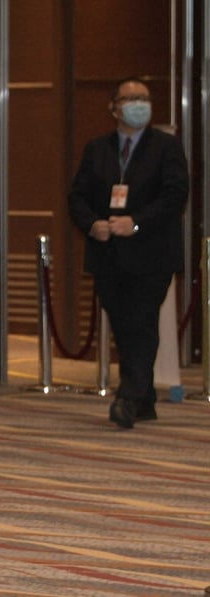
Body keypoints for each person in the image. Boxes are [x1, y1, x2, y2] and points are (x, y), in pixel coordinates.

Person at [68, 76, 188, 430]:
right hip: (108, 256)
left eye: (144, 98)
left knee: (141, 321)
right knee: (124, 325)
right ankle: (145, 399)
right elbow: (77, 196)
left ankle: (128, 397)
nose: (139, 104)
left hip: (152, 255)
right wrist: (93, 224)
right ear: (114, 107)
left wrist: (135, 223)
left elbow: (175, 195)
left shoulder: (166, 147)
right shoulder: (97, 148)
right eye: (131, 98)